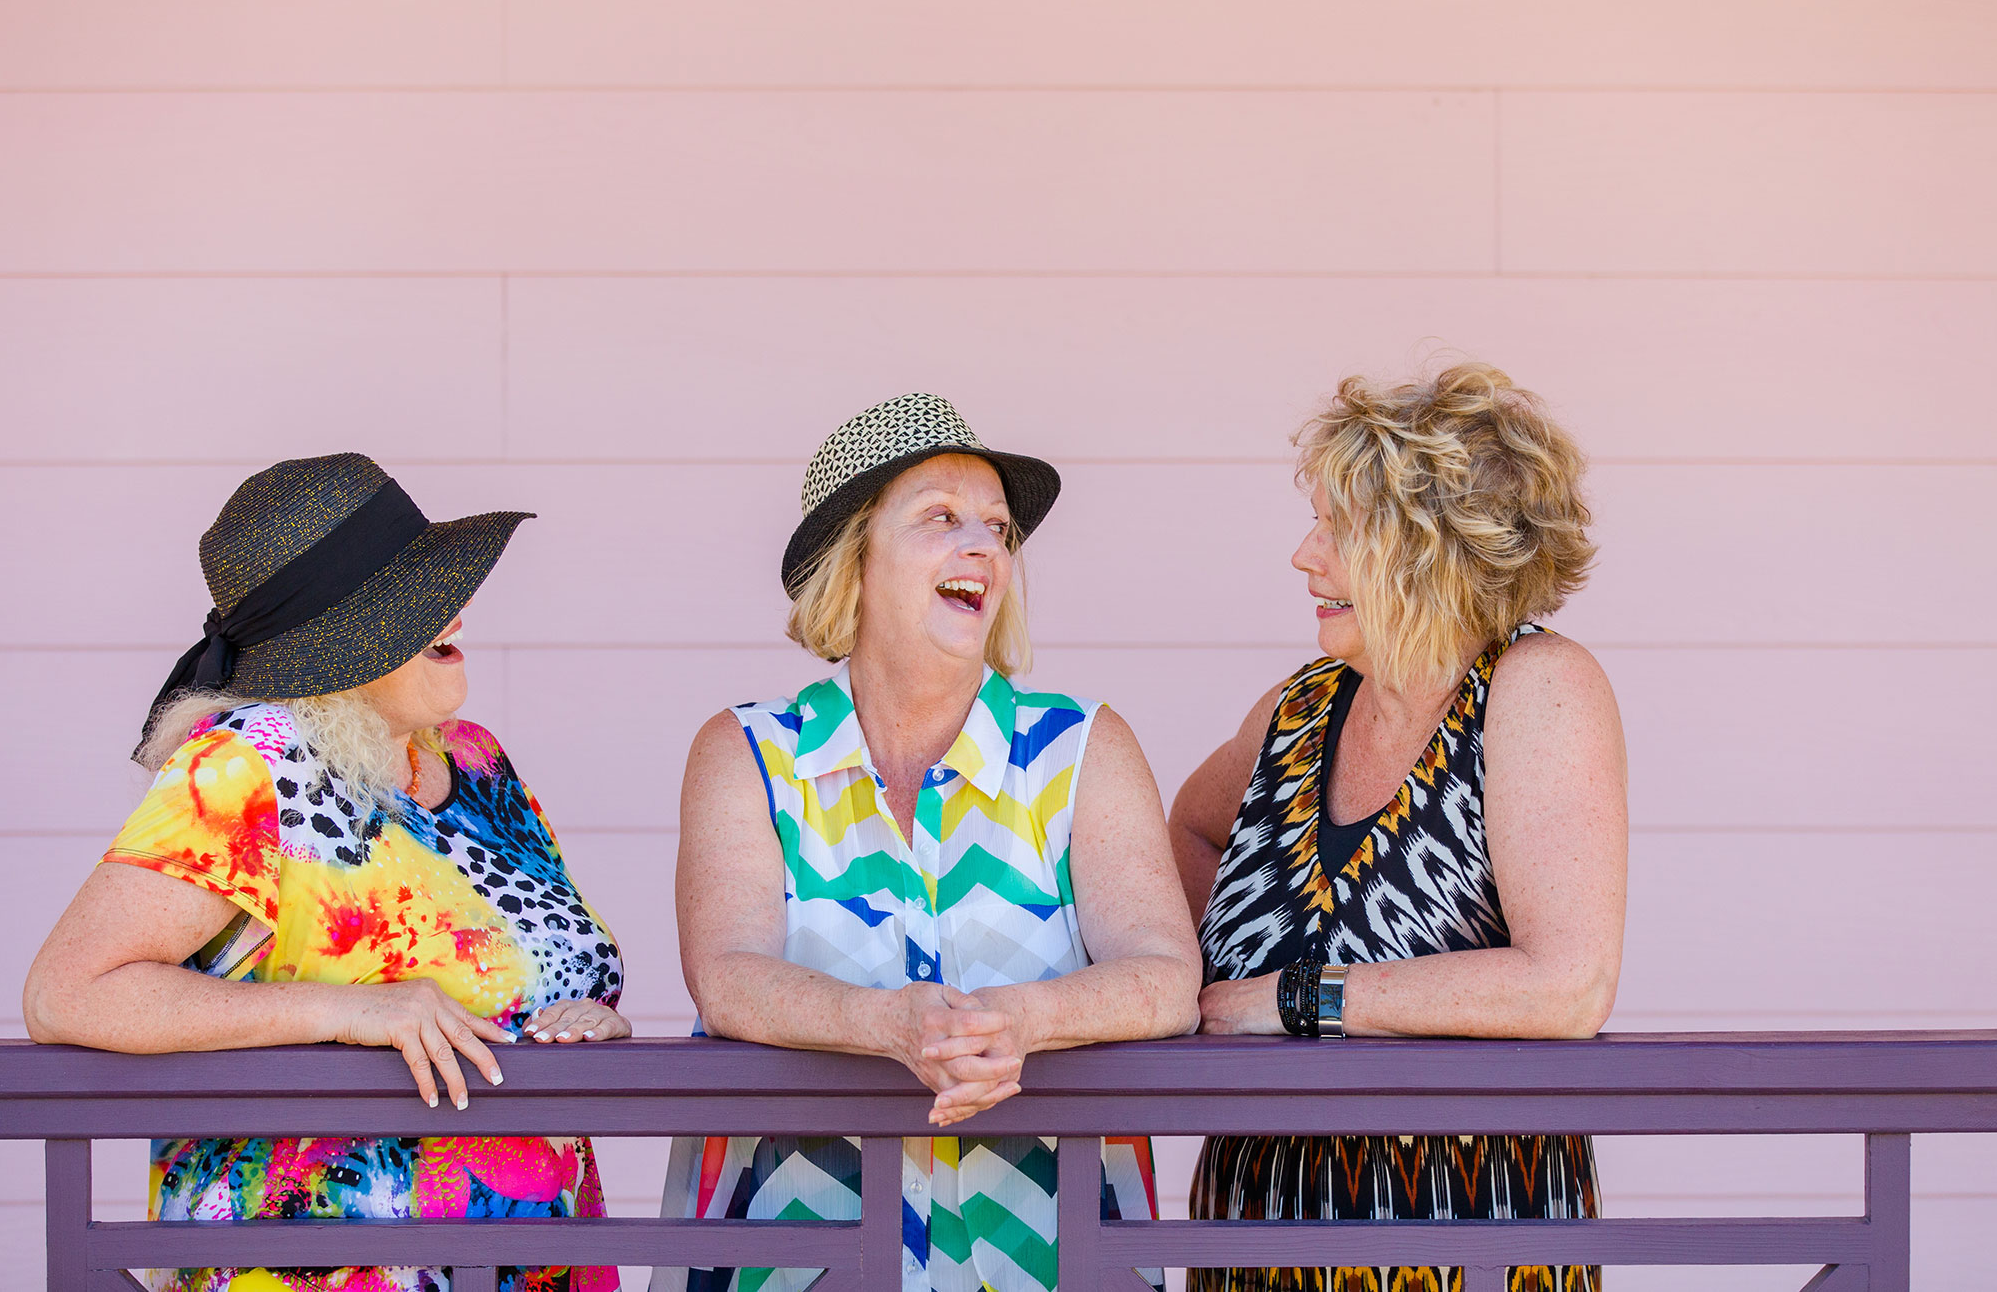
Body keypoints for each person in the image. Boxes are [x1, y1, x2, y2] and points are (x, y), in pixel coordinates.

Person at [22, 453, 629, 1292]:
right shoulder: (247, 769)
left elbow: (532, 979)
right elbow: (69, 991)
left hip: (529, 1259)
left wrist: (582, 1024)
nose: (458, 606)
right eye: (414, 595)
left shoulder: (477, 760)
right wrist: (349, 1010)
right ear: (331, 643)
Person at [660, 393, 1202, 1292]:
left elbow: (1166, 974)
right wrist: (885, 1025)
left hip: (1059, 1262)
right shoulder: (748, 752)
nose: (983, 546)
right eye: (941, 518)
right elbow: (727, 976)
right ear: (855, 560)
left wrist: (1022, 1020)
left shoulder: (1081, 746)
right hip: (804, 1264)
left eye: (996, 527)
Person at [1173, 365, 1627, 1292]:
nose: (1306, 555)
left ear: (1431, 549)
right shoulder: (1293, 712)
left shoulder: (1534, 689)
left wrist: (1299, 998)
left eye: (1338, 528)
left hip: (1467, 1245)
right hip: (1256, 1240)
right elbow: (1186, 830)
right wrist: (1174, 992)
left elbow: (1568, 987)